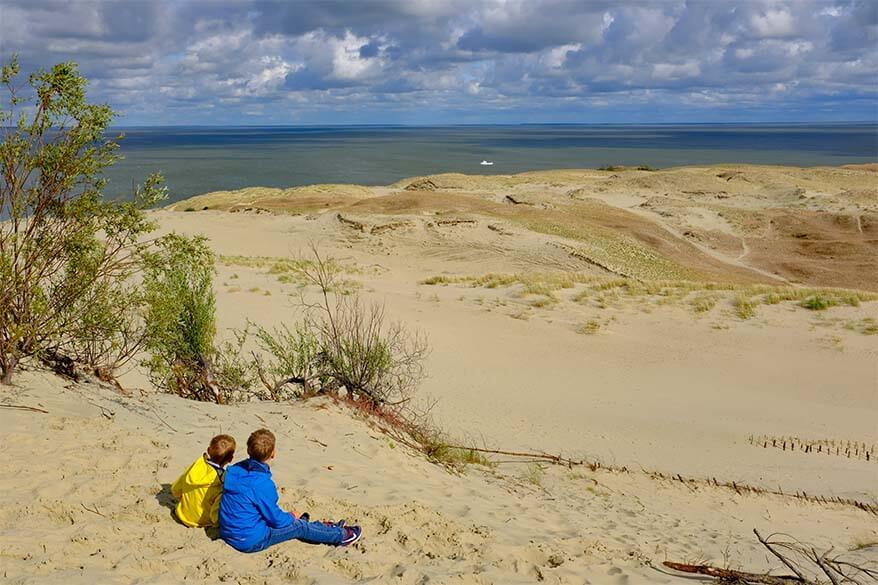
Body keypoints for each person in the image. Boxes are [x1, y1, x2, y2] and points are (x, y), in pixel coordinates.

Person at [219, 428, 361, 552]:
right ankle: (342, 536)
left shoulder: (234, 470)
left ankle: (320, 527)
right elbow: (276, 520)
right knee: (299, 527)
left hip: (228, 531)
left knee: (293, 520)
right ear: (273, 454)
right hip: (249, 541)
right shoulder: (262, 484)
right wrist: (291, 516)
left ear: (249, 450)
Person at [171, 434, 236, 528]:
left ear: (209, 450)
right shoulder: (221, 480)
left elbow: (175, 489)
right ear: (230, 459)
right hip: (203, 522)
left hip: (181, 514)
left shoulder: (196, 466)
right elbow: (216, 510)